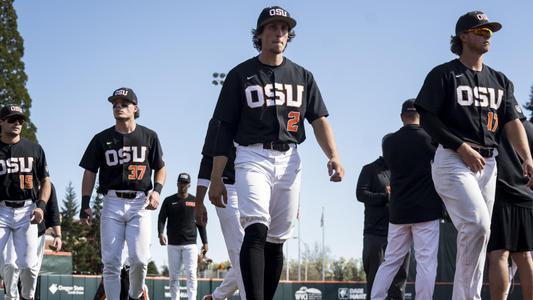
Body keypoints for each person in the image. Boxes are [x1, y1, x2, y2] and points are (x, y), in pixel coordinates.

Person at [207, 6, 345, 300]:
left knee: (277, 240)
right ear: (259, 34)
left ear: (289, 35)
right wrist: (216, 177)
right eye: (271, 27)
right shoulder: (240, 74)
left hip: (289, 158)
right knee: (256, 228)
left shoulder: (302, 75)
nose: (278, 33)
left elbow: (319, 119)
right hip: (251, 156)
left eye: (283, 28)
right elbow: (225, 128)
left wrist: (333, 155)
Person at [414, 11, 533, 299]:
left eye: (489, 32)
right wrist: (460, 146)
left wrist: (527, 158)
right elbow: (427, 116)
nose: (487, 36)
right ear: (463, 36)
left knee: (479, 235)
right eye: (480, 31)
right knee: (478, 224)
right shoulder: (444, 74)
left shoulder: (500, 80)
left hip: (488, 164)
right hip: (453, 160)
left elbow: (512, 121)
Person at [79, 87, 166, 300]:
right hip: (112, 202)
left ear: (135, 108)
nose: (118, 107)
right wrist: (84, 204)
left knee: (139, 259)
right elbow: (90, 171)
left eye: (124, 103)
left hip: (140, 202)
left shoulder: (149, 136)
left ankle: (136, 295)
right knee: (110, 262)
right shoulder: (101, 138)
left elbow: (161, 167)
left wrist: (157, 191)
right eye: (115, 104)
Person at [371, 99, 443, 299]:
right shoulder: (432, 140)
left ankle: (376, 297)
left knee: (391, 261)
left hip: (399, 210)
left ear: (402, 116)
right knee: (426, 262)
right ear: (421, 115)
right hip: (426, 210)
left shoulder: (389, 141)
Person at [0, 104, 51, 300]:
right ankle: (10, 297)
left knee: (29, 265)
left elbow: (46, 181)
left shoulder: (34, 149)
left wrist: (41, 206)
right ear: (1, 121)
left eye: (20, 120)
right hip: (2, 210)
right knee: (8, 264)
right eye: (12, 119)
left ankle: (27, 297)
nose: (17, 123)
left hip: (27, 210)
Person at [195, 118, 246, 300]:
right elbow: (208, 160)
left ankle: (216, 297)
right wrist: (199, 202)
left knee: (258, 252)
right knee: (241, 252)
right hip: (228, 188)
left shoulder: (262, 112)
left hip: (258, 187)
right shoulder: (219, 120)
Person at [488, 117, 533, 300]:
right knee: (524, 256)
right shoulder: (529, 127)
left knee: (499, 254)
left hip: (500, 192)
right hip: (525, 195)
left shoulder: (492, 121)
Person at [356, 152, 408, 299]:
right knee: (375, 280)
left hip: (400, 232)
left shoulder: (403, 170)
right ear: (386, 148)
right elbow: (361, 194)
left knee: (399, 283)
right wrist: (386, 197)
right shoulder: (370, 169)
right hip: (375, 233)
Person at [1, 183, 61, 300]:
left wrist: (58, 235)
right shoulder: (13, 176)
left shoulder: (46, 185)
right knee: (11, 266)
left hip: (37, 234)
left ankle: (28, 297)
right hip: (13, 232)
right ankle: (10, 297)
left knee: (30, 270)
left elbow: (54, 211)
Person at [158, 172, 208, 300]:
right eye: (181, 183)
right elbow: (161, 218)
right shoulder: (169, 201)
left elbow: (201, 223)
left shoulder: (195, 201)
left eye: (185, 183)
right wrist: (160, 233)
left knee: (191, 274)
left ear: (189, 185)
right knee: (174, 276)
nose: (182, 186)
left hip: (190, 244)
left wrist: (205, 242)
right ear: (177, 183)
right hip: (173, 244)